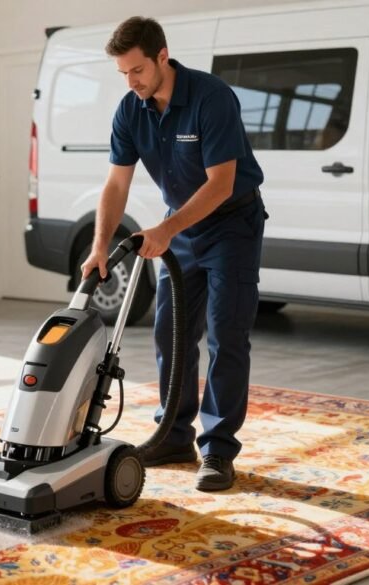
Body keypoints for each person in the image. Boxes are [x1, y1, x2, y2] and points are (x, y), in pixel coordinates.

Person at [80, 16, 266, 491]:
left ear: (162, 56)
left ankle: (219, 450)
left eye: (137, 70)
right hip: (180, 228)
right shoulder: (130, 109)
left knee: (226, 335)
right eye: (123, 73)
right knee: (171, 334)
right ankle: (173, 434)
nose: (131, 81)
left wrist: (165, 228)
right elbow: (116, 182)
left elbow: (221, 184)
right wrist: (100, 246)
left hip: (231, 226)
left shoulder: (210, 97)